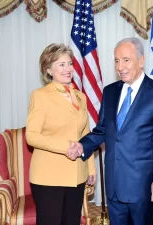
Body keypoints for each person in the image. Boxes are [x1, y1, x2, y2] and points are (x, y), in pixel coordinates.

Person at [67, 37, 153, 225]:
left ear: (141, 61)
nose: (120, 66)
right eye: (117, 61)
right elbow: (102, 130)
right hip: (114, 182)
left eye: (126, 60)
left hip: (142, 185)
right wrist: (82, 146)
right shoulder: (110, 92)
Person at [26, 43, 96, 225]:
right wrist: (65, 147)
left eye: (69, 63)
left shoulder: (81, 96)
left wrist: (90, 168)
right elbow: (32, 136)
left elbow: (86, 133)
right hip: (49, 176)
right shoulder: (40, 95)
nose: (68, 69)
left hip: (77, 174)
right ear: (48, 70)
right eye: (61, 64)